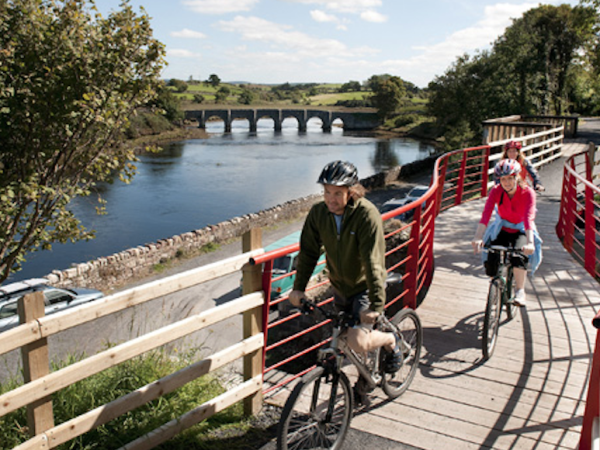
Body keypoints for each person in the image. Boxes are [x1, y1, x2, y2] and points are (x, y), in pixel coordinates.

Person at [288, 160, 402, 376]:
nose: (331, 199)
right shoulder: (319, 213)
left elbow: (373, 262)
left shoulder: (366, 215)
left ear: (352, 191)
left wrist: (376, 305)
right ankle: (363, 379)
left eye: (337, 193)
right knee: (340, 338)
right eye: (327, 192)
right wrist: (298, 288)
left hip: (364, 287)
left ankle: (390, 339)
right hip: (340, 287)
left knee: (358, 341)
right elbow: (309, 252)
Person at [471, 159, 543, 307]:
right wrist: (478, 237)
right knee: (491, 254)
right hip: (502, 226)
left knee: (519, 255)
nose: (507, 182)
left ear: (517, 176)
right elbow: (486, 214)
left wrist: (530, 243)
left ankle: (520, 290)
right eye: (503, 179)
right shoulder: (496, 191)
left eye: (510, 178)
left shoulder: (527, 192)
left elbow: (529, 218)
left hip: (522, 228)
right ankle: (495, 284)